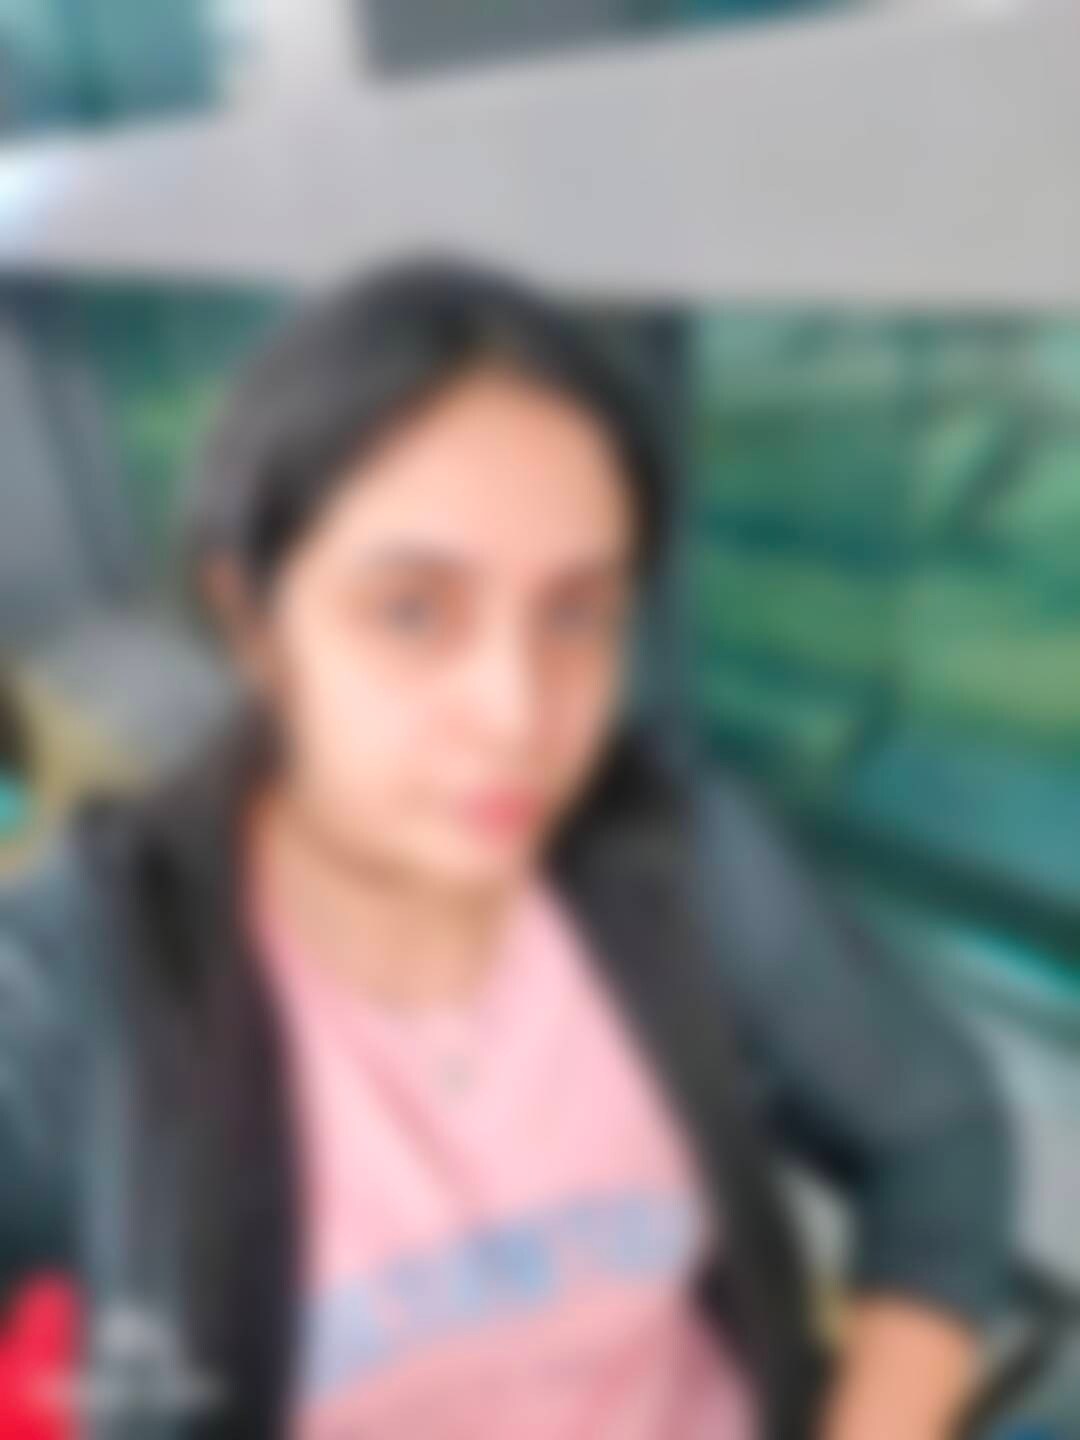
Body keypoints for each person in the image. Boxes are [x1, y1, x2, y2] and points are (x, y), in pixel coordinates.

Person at [0, 259, 1012, 1440]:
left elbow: (937, 1137)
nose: (516, 713)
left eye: (574, 614)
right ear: (254, 619)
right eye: (413, 611)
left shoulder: (673, 861)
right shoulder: (79, 983)